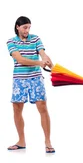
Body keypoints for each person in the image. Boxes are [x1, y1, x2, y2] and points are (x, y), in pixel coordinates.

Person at [6, 16, 56, 153]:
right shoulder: (11, 42)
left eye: (29, 27)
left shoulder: (35, 39)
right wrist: (39, 63)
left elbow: (43, 53)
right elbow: (19, 59)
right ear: (17, 27)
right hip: (19, 80)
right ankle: (21, 141)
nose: (27, 30)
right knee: (17, 109)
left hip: (36, 79)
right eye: (25, 27)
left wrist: (47, 61)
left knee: (43, 107)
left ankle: (48, 142)